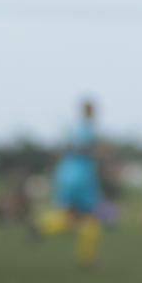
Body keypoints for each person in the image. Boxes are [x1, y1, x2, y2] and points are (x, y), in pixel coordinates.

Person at [38, 98, 103, 267]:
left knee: (70, 217)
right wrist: (97, 153)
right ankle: (88, 259)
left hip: (66, 175)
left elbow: (69, 149)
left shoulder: (75, 129)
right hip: (80, 178)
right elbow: (82, 149)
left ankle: (42, 226)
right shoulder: (86, 130)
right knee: (88, 219)